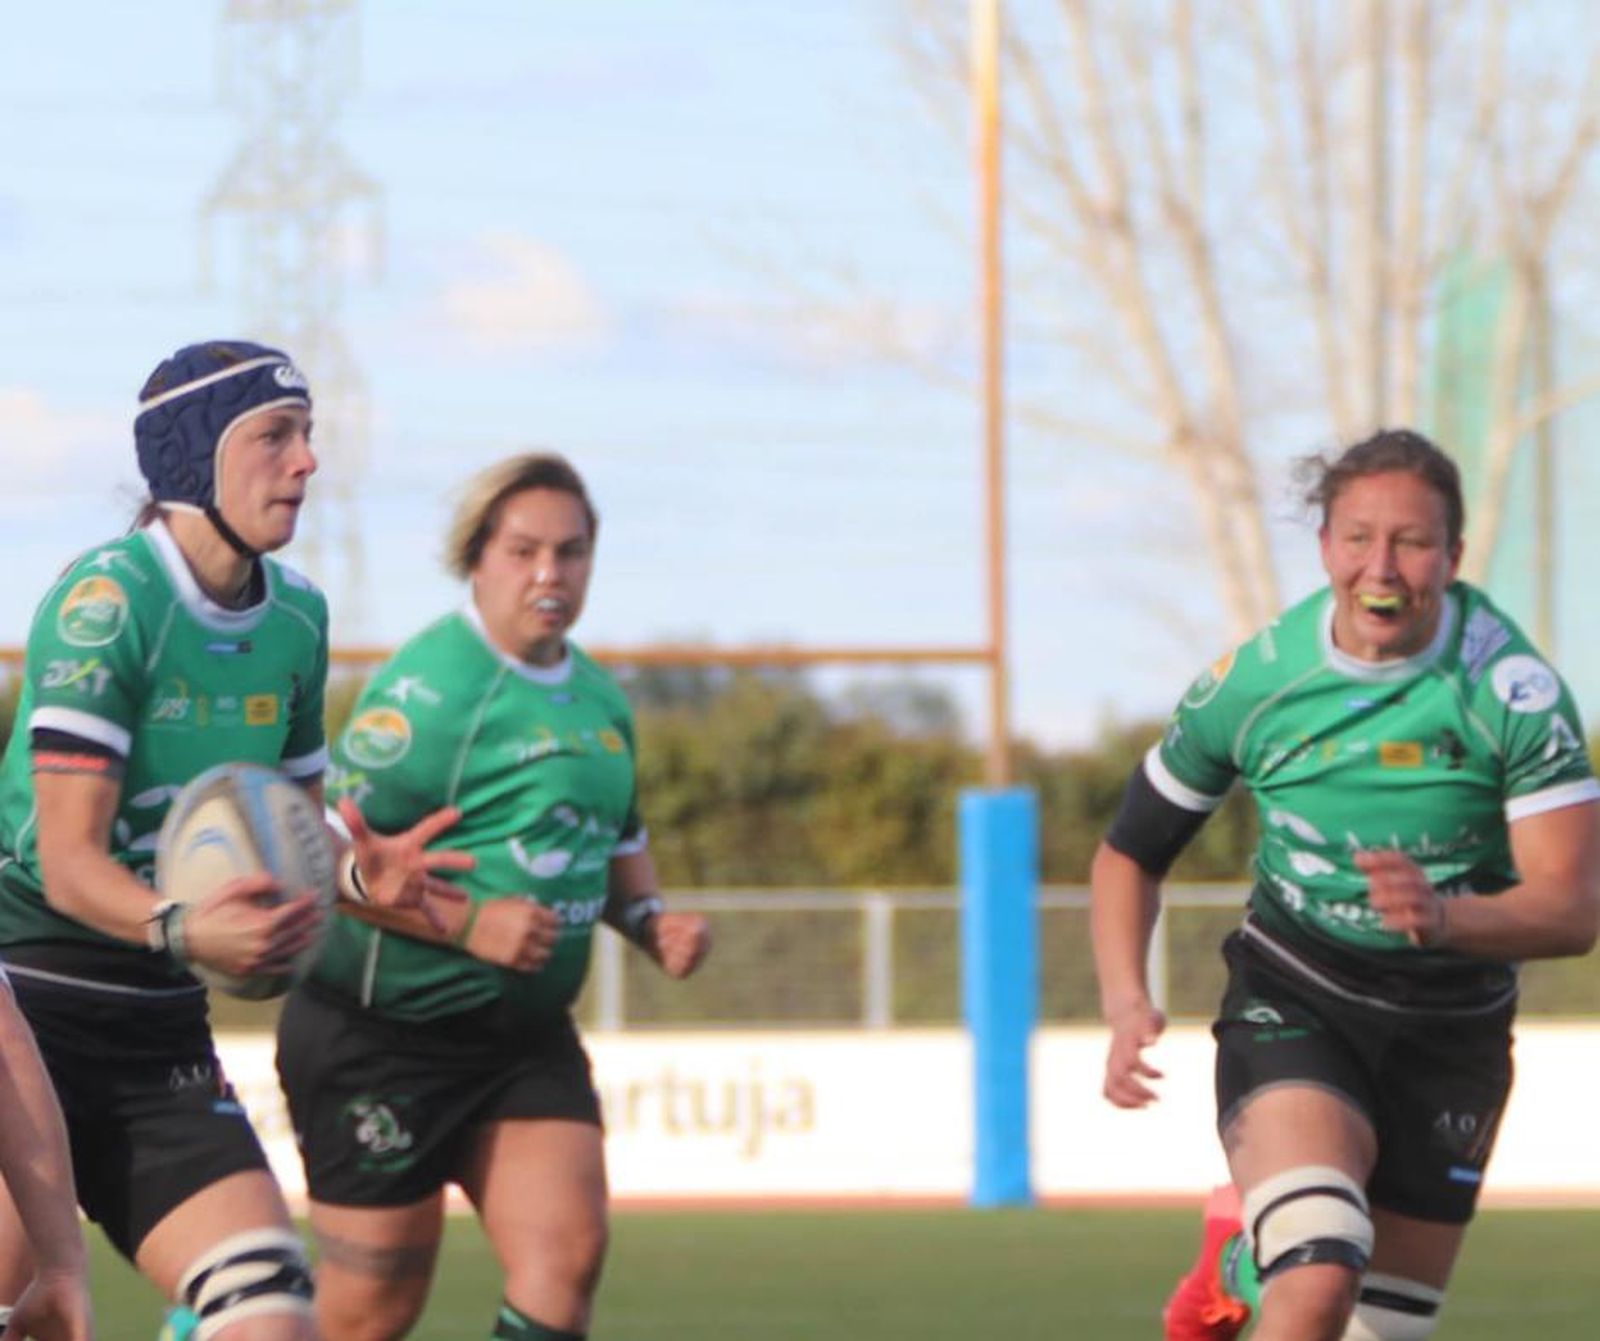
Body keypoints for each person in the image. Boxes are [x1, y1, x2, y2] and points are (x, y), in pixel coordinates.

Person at [1089, 429, 1600, 1341]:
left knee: (1381, 1329)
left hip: (1455, 1031)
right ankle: (1275, 1247)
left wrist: (1443, 917)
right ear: (1325, 545)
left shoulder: (1511, 692)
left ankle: (1244, 1252)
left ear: (1454, 553)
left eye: (1411, 541)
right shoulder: (1258, 682)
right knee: (1321, 1270)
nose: (1384, 565)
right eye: (1359, 537)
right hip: (1300, 994)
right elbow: (1131, 850)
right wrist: (1128, 999)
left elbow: (1572, 909)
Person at [0, 341, 465, 1341]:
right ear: (191, 457)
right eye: (275, 437)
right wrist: (181, 930)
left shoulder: (295, 618)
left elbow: (288, 832)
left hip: (157, 1037)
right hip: (24, 1015)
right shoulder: (110, 603)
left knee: (271, 1317)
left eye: (309, 438)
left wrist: (353, 869)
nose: (305, 463)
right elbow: (68, 864)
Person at [275, 452, 712, 1341]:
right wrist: (469, 922)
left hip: (521, 1042)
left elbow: (617, 831)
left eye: (572, 551)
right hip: (381, 1038)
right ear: (476, 557)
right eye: (524, 551)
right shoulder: (428, 693)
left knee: (566, 1257)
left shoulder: (596, 696)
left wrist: (650, 920)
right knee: (368, 1314)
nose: (550, 573)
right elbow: (311, 852)